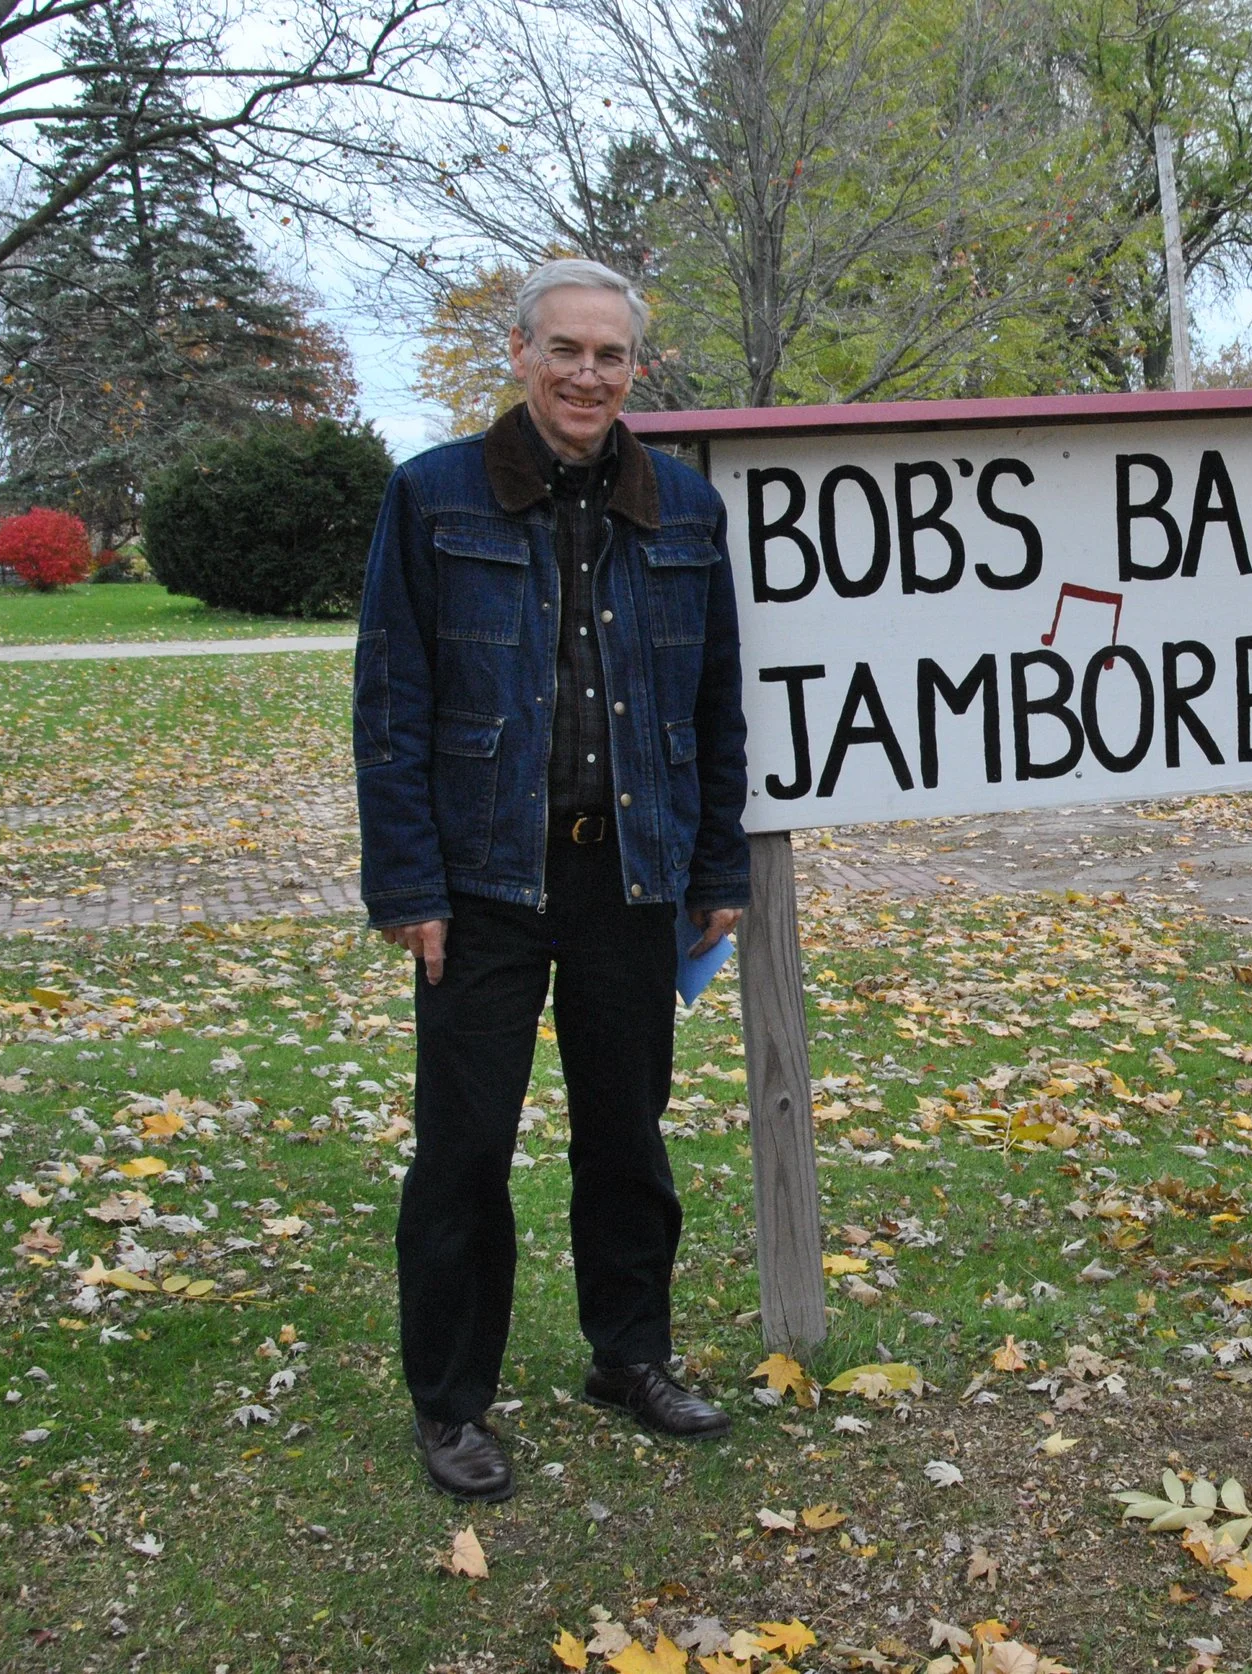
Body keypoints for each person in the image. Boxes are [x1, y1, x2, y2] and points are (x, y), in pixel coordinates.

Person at [353, 258, 749, 1501]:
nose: (587, 375)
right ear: (521, 354)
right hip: (482, 884)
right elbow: (391, 703)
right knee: (465, 1150)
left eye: (609, 355)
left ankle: (629, 1356)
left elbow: (716, 703)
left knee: (627, 1137)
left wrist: (716, 864)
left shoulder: (683, 507)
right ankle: (450, 1402)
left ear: (635, 368)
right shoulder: (433, 496)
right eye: (565, 350)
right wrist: (408, 888)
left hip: (630, 876)